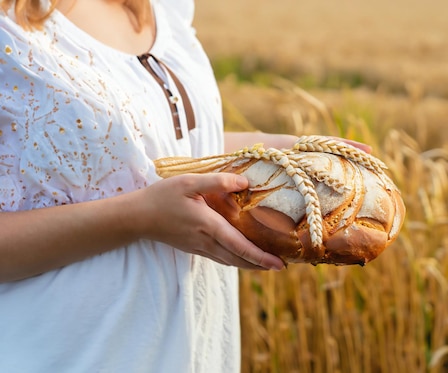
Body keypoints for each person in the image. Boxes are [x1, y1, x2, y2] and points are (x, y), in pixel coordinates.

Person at [0, 0, 369, 371]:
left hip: (194, 347)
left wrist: (274, 152)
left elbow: (152, 146)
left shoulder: (156, 9)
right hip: (67, 353)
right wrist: (137, 217)